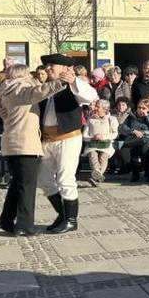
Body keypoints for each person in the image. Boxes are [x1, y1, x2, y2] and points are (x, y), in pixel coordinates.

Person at [0, 64, 70, 236]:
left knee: (17, 184)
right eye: (28, 73)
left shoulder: (7, 88)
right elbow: (36, 93)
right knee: (27, 187)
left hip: (12, 143)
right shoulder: (21, 88)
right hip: (24, 145)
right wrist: (60, 82)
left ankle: (6, 220)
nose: (32, 76)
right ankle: (24, 226)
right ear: (22, 74)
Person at [36, 53, 99, 234]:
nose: (47, 69)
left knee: (65, 179)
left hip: (68, 138)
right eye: (47, 67)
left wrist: (74, 81)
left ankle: (71, 220)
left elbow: (90, 96)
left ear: (64, 69)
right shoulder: (46, 86)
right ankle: (63, 214)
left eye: (51, 66)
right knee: (44, 179)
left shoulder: (73, 85)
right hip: (47, 139)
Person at [83, 99, 118, 187]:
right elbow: (84, 135)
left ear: (105, 109)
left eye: (98, 107)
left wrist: (104, 137)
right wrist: (92, 137)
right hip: (92, 144)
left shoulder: (112, 119)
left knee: (104, 156)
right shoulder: (90, 119)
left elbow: (115, 134)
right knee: (92, 155)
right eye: (96, 106)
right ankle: (98, 177)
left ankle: (96, 177)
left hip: (106, 144)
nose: (95, 108)